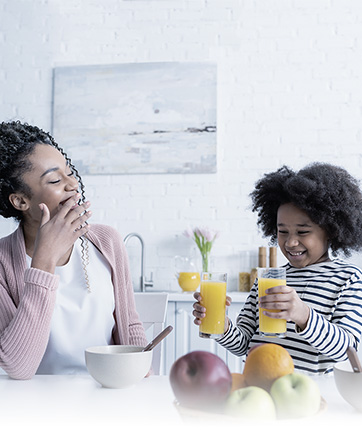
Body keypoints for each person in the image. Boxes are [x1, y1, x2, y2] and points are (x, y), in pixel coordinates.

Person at [0, 121, 148, 379]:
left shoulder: (107, 242)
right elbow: (18, 367)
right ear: (21, 201)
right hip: (33, 407)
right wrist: (44, 260)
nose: (72, 185)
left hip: (107, 395)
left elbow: (130, 326)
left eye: (70, 172)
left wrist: (139, 382)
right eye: (55, 179)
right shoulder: (3, 263)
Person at [193, 163, 362, 375]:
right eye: (283, 232)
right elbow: (244, 344)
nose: (291, 242)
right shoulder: (268, 279)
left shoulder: (348, 279)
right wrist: (220, 324)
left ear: (330, 230)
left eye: (302, 232)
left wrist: (303, 315)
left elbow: (347, 352)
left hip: (310, 396)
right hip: (258, 389)